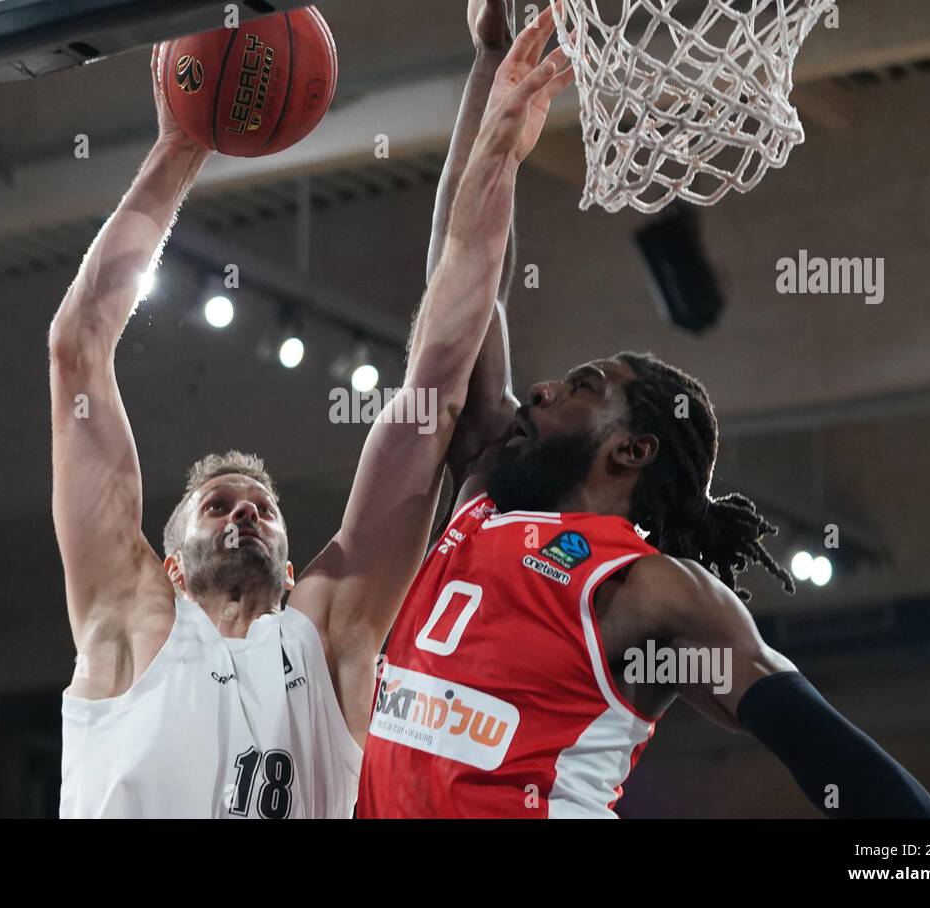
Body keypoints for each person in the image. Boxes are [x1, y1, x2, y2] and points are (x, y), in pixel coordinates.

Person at [355, 1, 930, 821]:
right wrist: (491, 67)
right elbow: (461, 280)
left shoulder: (654, 595)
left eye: (581, 388)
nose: (540, 392)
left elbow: (831, 754)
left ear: (631, 451)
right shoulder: (485, 489)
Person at [48, 11, 573, 817]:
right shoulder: (126, 619)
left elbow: (435, 383)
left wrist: (497, 147)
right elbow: (77, 346)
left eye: (261, 508)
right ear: (170, 566)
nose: (243, 515)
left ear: (294, 572)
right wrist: (178, 149)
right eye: (219, 505)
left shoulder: (325, 636)